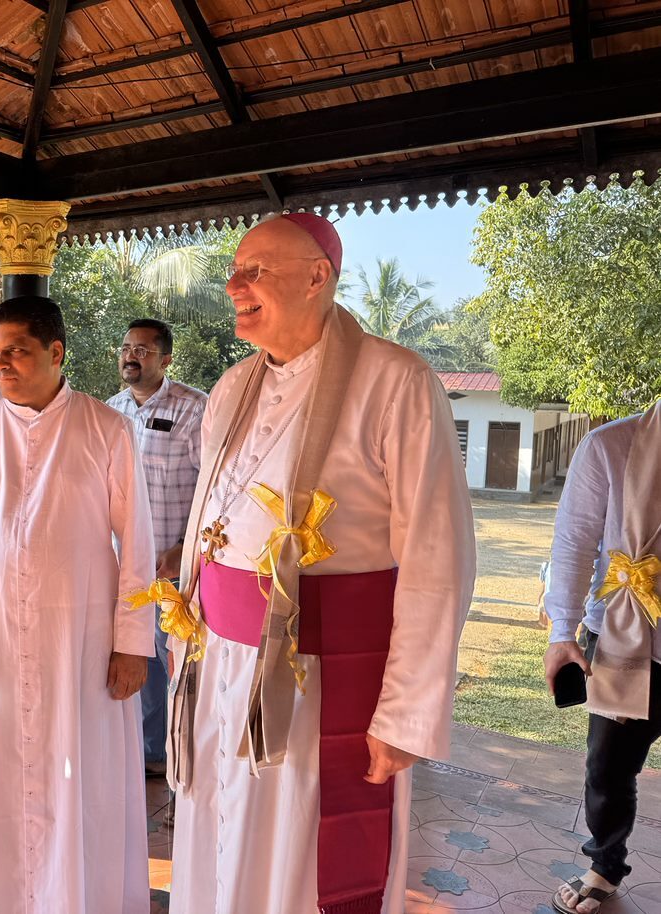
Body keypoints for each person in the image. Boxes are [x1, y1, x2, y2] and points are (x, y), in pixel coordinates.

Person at [164, 214, 476, 914]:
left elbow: (437, 555)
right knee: (215, 841)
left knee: (297, 862)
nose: (233, 285)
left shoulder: (395, 380)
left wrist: (404, 713)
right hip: (220, 667)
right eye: (234, 271)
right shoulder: (231, 386)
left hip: (320, 680)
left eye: (255, 271)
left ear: (317, 277)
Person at [0, 296, 156, 914]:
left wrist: (134, 642)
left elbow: (137, 542)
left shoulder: (106, 429)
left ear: (56, 352)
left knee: (79, 768)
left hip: (79, 639)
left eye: (16, 352)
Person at [543, 404, 661, 914]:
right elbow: (574, 542)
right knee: (609, 767)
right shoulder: (611, 445)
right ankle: (606, 865)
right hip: (621, 638)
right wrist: (562, 631)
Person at [105, 319, 206, 778]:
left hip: (174, 568)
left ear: (165, 359)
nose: (132, 355)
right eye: (127, 347)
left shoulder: (195, 409)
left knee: (178, 664)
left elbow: (213, 486)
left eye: (143, 350)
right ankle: (147, 754)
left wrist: (185, 547)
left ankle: (183, 757)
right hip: (124, 568)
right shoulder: (109, 412)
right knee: (134, 656)